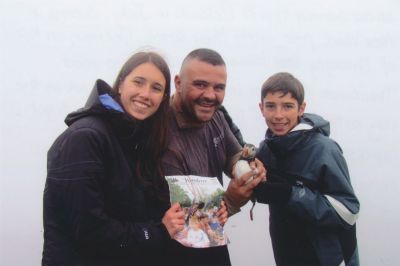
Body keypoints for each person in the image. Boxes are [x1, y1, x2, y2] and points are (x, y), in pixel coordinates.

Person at [42, 51, 187, 265]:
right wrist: (157, 231)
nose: (146, 94)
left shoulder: (136, 142)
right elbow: (89, 231)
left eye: (156, 88)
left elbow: (137, 212)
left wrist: (199, 213)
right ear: (120, 84)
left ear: (163, 98)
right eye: (138, 82)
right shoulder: (85, 138)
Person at [162, 48, 266, 266]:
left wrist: (250, 171)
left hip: (213, 245)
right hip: (175, 251)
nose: (210, 95)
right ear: (178, 82)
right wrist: (231, 200)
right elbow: (190, 224)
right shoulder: (162, 133)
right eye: (200, 85)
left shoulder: (215, 116)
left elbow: (233, 156)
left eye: (219, 87)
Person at [253, 72, 360, 265]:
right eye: (271, 106)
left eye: (287, 106)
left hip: (329, 258)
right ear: (261, 108)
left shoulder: (324, 150)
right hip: (287, 256)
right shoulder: (267, 150)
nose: (278, 115)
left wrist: (289, 194)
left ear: (301, 108)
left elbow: (349, 211)